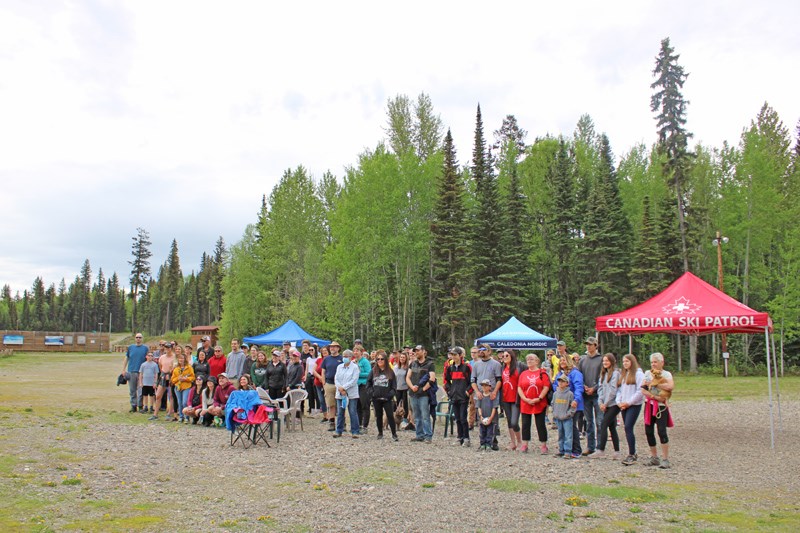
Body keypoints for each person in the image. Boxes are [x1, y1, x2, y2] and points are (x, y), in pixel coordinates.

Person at [641, 352, 675, 469]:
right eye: (652, 362)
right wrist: (655, 396)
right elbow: (643, 389)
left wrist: (655, 385)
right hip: (650, 404)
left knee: (661, 431)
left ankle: (665, 459)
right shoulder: (647, 373)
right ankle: (654, 456)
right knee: (649, 431)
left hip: (661, 407)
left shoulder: (667, 374)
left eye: (655, 362)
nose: (653, 364)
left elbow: (670, 387)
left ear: (662, 362)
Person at [589, 353, 621, 459]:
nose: (605, 363)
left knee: (603, 424)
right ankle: (617, 451)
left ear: (612, 361)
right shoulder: (603, 374)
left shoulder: (615, 374)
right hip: (605, 404)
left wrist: (606, 403)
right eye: (604, 361)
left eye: (607, 361)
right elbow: (601, 388)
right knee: (612, 427)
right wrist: (600, 402)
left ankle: (600, 449)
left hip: (614, 404)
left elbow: (613, 390)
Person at [470, 344, 502, 450]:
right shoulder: (476, 364)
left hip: (492, 395)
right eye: (480, 350)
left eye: (484, 350)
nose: (481, 351)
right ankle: (482, 441)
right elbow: (473, 380)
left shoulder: (496, 364)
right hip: (480, 394)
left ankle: (493, 440)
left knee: (493, 419)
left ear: (489, 351)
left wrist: (495, 392)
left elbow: (499, 380)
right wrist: (477, 391)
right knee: (481, 417)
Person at [518, 353, 551, 454]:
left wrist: (539, 398)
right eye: (527, 359)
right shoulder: (523, 374)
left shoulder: (542, 373)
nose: (529, 361)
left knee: (540, 424)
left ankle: (543, 445)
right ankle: (525, 444)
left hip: (539, 402)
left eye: (531, 359)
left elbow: (546, 386)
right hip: (525, 402)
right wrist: (525, 399)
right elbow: (519, 387)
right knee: (525, 424)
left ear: (537, 361)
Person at [616, 354, 645, 466]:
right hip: (624, 404)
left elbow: (640, 391)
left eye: (627, 361)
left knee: (628, 426)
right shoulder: (624, 374)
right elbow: (619, 390)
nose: (625, 363)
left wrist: (629, 403)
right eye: (623, 361)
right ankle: (632, 452)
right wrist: (619, 402)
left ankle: (632, 453)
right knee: (626, 428)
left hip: (633, 404)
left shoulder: (638, 374)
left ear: (632, 362)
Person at [578, 336, 604, 456]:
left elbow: (602, 377)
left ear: (595, 345)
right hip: (586, 395)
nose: (588, 346)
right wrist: (584, 387)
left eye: (590, 344)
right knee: (588, 422)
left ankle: (600, 447)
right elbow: (579, 375)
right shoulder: (583, 360)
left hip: (597, 394)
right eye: (587, 344)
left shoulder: (601, 359)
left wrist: (594, 388)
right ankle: (590, 446)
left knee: (599, 421)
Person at [555, 355, 584, 458]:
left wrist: (576, 399)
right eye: (560, 360)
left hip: (574, 404)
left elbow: (579, 387)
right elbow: (555, 386)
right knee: (562, 429)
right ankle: (564, 449)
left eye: (564, 360)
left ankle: (576, 450)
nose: (562, 362)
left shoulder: (575, 373)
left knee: (572, 427)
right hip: (562, 405)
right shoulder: (559, 374)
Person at [406, 345, 435, 443]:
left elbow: (432, 378)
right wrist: (412, 387)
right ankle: (419, 435)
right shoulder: (413, 363)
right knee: (416, 416)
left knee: (425, 416)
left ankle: (428, 436)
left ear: (424, 351)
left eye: (418, 351)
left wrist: (423, 389)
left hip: (424, 394)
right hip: (413, 393)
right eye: (415, 351)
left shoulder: (430, 364)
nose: (416, 352)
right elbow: (408, 377)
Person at [443, 346, 471, 446]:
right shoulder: (450, 368)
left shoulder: (466, 367)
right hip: (454, 396)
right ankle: (459, 437)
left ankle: (466, 438)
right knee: (457, 418)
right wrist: (450, 391)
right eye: (452, 355)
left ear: (460, 355)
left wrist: (468, 391)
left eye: (455, 355)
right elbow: (446, 381)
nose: (453, 357)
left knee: (463, 418)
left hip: (463, 396)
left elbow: (471, 381)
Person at [368, 350, 398, 441]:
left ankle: (394, 434)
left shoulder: (390, 372)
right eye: (378, 359)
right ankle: (380, 433)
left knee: (390, 415)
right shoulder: (373, 371)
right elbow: (368, 383)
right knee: (378, 416)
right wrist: (372, 393)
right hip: (376, 398)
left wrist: (390, 395)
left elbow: (394, 386)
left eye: (382, 359)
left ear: (385, 360)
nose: (380, 361)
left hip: (387, 398)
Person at [499, 349, 524, 451]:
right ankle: (513, 442)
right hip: (505, 398)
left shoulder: (519, 366)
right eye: (503, 356)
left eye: (507, 356)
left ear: (512, 356)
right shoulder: (502, 368)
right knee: (509, 421)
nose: (504, 357)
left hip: (515, 398)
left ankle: (519, 441)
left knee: (514, 421)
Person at [333, 349, 360, 438]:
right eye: (343, 356)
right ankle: (339, 430)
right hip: (340, 393)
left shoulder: (355, 367)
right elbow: (336, 378)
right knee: (340, 412)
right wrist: (340, 388)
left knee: (352, 412)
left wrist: (344, 387)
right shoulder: (339, 367)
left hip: (351, 393)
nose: (344, 358)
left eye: (346, 356)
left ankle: (355, 431)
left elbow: (354, 380)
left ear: (351, 357)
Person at [149, 344, 176, 421]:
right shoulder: (162, 357)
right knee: (158, 395)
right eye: (165, 347)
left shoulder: (174, 357)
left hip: (172, 376)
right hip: (163, 376)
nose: (167, 349)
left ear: (171, 348)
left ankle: (169, 413)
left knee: (171, 396)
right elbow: (160, 367)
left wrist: (170, 374)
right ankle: (155, 414)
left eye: (168, 347)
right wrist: (164, 374)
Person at [320, 342, 343, 431]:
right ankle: (332, 422)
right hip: (329, 384)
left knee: (341, 405)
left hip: (340, 385)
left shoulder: (342, 358)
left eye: (334, 347)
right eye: (331, 347)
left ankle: (342, 423)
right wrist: (324, 383)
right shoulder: (326, 359)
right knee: (331, 404)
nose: (332, 348)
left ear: (338, 348)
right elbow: (323, 371)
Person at [122, 333, 148, 412]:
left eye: (140, 337)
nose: (138, 339)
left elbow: (148, 359)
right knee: (132, 390)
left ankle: (140, 406)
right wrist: (123, 369)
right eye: (137, 337)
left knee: (140, 390)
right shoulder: (131, 347)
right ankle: (133, 406)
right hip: (131, 371)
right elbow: (126, 358)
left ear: (142, 338)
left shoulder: (145, 348)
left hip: (141, 372)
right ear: (135, 338)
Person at [552, 374, 576, 458]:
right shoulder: (555, 393)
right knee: (560, 434)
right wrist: (554, 414)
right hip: (558, 417)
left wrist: (569, 414)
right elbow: (553, 404)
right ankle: (561, 450)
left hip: (567, 418)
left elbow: (573, 406)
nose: (560, 383)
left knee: (568, 435)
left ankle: (568, 451)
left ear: (567, 383)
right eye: (559, 381)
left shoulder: (570, 394)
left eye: (563, 381)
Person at [171, 350, 195, 423]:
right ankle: (181, 417)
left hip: (186, 386)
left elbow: (193, 377)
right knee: (179, 402)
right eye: (180, 358)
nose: (181, 360)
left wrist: (186, 379)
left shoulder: (189, 367)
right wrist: (178, 378)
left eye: (182, 358)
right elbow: (172, 379)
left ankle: (186, 417)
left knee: (185, 402)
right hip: (178, 387)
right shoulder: (176, 368)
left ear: (185, 359)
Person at [476, 379, 499, 451]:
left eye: (486, 386)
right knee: (482, 432)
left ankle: (489, 444)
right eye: (483, 386)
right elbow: (478, 407)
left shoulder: (492, 397)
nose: (484, 387)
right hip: (483, 418)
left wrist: (491, 418)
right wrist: (480, 416)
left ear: (490, 387)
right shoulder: (480, 396)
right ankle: (482, 444)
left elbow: (494, 408)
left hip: (490, 419)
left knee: (490, 432)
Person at [355, 346, 372, 434]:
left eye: (357, 350)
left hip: (364, 385)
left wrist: (358, 374)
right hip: (356, 386)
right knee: (357, 406)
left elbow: (369, 373)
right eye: (354, 350)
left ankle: (365, 426)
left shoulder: (365, 361)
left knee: (365, 406)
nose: (356, 352)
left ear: (361, 352)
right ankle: (359, 424)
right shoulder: (354, 361)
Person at [393, 351, 410, 429]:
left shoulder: (408, 367)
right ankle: (395, 419)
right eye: (401, 357)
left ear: (406, 358)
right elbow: (393, 377)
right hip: (397, 388)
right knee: (396, 404)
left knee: (405, 404)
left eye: (403, 357)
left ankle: (405, 420)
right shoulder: (396, 367)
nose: (402, 359)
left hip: (405, 388)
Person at [313, 345, 328, 422]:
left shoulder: (330, 360)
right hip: (318, 383)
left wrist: (324, 379)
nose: (324, 352)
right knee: (321, 400)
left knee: (329, 400)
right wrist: (320, 377)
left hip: (328, 383)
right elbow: (314, 370)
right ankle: (325, 416)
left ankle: (331, 416)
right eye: (323, 351)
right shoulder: (319, 360)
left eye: (326, 350)